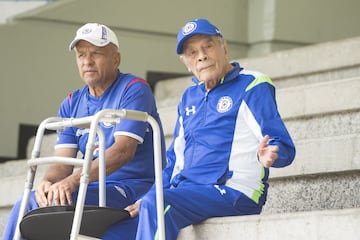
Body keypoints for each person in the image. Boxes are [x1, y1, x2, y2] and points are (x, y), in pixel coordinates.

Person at [103, 18, 296, 239]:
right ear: (186, 63)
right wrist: (147, 196)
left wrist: (272, 155)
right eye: (192, 52)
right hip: (190, 192)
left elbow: (283, 146)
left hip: (235, 192)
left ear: (224, 48)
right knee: (115, 231)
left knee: (157, 205)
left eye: (208, 46)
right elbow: (175, 161)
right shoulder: (189, 97)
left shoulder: (252, 84)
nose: (201, 56)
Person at [3, 22, 166, 240]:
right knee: (29, 201)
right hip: (90, 187)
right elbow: (62, 164)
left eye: (96, 54)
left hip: (131, 187)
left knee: (64, 198)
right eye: (81, 55)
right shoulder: (72, 102)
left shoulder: (134, 89)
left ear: (116, 59)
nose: (87, 61)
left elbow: (122, 152)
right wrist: (47, 183)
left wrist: (72, 181)